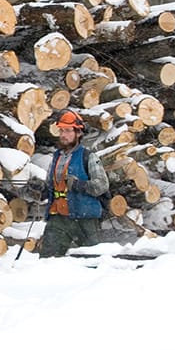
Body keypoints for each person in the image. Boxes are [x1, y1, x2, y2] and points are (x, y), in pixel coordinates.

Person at [37, 110, 110, 258]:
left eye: (68, 131)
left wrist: (78, 185)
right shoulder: (56, 157)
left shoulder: (89, 156)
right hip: (58, 217)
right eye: (61, 130)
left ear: (78, 133)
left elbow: (102, 185)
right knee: (47, 261)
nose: (63, 135)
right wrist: (39, 188)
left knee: (93, 260)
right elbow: (49, 187)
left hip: (85, 218)